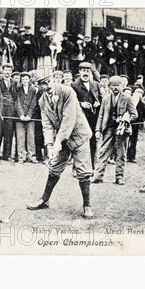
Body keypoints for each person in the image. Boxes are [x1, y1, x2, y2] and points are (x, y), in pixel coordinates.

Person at [26, 76, 94, 219]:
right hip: (61, 139)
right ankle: (44, 200)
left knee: (83, 171)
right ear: (38, 86)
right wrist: (50, 145)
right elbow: (47, 125)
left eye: (49, 81)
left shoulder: (67, 91)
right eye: (43, 83)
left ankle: (87, 205)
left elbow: (69, 119)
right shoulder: (42, 101)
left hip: (79, 136)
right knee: (54, 167)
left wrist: (58, 141)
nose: (48, 85)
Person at [92, 76, 138, 185]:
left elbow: (134, 114)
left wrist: (125, 119)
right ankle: (98, 176)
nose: (115, 88)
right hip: (108, 129)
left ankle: (119, 177)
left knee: (121, 154)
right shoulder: (106, 98)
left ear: (122, 86)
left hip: (121, 131)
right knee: (103, 152)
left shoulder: (127, 98)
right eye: (113, 85)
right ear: (109, 86)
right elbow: (101, 115)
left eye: (117, 85)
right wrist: (98, 130)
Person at [71, 62, 101, 168]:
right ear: (79, 72)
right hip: (80, 118)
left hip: (93, 118)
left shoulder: (95, 84)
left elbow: (100, 98)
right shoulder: (74, 85)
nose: (85, 73)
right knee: (79, 142)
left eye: (87, 71)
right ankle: (76, 167)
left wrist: (98, 102)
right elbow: (71, 102)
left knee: (92, 142)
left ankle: (91, 167)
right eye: (83, 71)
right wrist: (81, 104)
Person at [15, 71, 39, 163]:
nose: (25, 80)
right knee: (20, 137)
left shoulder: (33, 90)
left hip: (30, 118)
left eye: (26, 79)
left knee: (30, 137)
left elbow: (33, 103)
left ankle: (32, 156)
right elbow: (16, 102)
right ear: (21, 80)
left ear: (29, 80)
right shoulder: (17, 89)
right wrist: (21, 114)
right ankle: (21, 157)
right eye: (23, 79)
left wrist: (29, 115)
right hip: (19, 118)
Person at [0, 64, 17, 161]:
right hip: (0, 109)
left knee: (9, 132)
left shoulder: (15, 83)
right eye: (6, 70)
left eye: (9, 70)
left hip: (11, 110)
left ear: (11, 72)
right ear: (2, 71)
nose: (7, 72)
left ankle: (6, 155)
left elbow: (16, 97)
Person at [127, 85, 145, 163]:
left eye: (141, 93)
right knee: (126, 139)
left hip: (136, 124)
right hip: (128, 122)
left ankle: (132, 156)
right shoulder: (130, 100)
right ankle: (125, 155)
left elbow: (144, 114)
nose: (139, 94)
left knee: (134, 140)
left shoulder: (142, 103)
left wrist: (143, 121)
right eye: (138, 92)